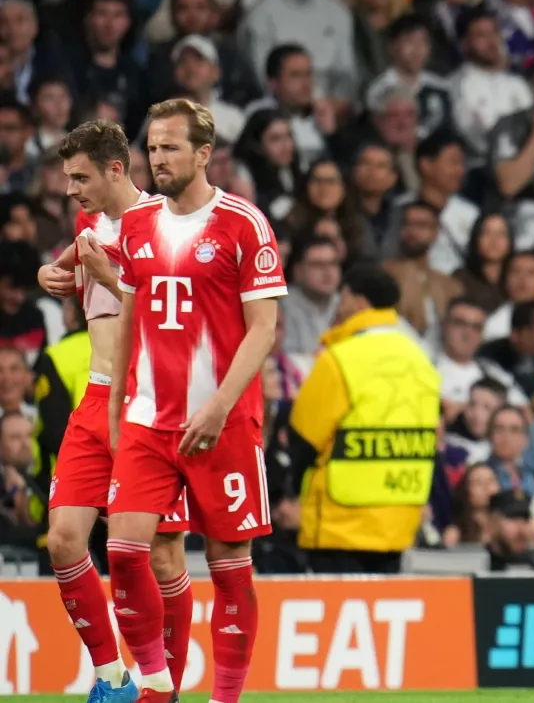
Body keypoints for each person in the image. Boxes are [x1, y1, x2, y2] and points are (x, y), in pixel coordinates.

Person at [105, 99, 286, 703]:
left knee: (231, 570)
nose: (156, 159)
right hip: (148, 422)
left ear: (204, 153)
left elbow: (263, 328)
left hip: (224, 423)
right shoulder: (136, 224)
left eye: (170, 148)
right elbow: (129, 318)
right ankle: (157, 688)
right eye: (152, 148)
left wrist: (218, 408)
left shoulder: (243, 223)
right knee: (125, 552)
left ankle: (225, 699)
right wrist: (116, 409)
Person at [34, 119, 193, 703]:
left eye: (81, 178)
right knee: (64, 540)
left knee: (162, 551)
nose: (71, 189)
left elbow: (184, 317)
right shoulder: (89, 223)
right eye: (68, 178)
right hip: (98, 397)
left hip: (152, 403)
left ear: (116, 170)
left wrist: (113, 277)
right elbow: (65, 262)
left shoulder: (166, 225)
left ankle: (163, 688)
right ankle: (112, 679)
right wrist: (49, 271)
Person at [288, 263, 442, 574]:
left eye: (342, 299)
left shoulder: (339, 359)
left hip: (339, 524)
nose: (339, 308)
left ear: (359, 303)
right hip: (399, 522)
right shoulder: (422, 361)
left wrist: (290, 492)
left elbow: (301, 441)